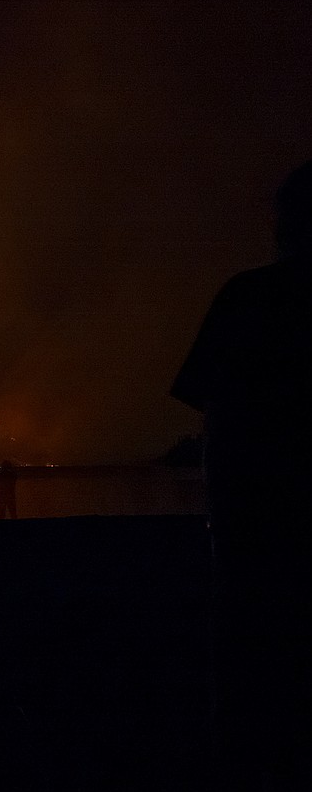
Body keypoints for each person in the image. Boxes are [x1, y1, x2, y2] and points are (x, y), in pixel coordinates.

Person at [172, 159, 312, 790]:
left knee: (250, 673)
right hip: (262, 521)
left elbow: (211, 403)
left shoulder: (249, 298)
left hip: (253, 526)